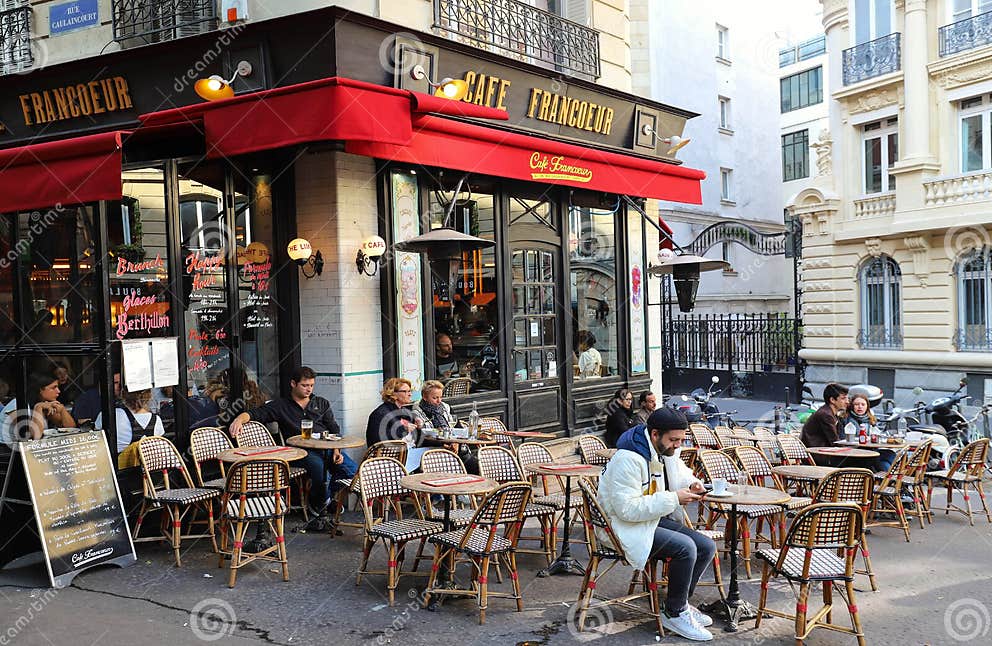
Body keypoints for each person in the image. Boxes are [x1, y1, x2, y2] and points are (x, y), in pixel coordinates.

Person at [597, 408, 716, 641]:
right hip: (619, 528)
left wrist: (694, 485)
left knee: (705, 546)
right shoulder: (628, 459)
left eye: (681, 440)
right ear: (654, 434)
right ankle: (675, 612)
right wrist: (674, 498)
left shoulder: (663, 450)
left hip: (647, 520)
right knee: (686, 548)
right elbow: (627, 510)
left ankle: (678, 603)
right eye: (673, 440)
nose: (677, 445)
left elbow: (681, 474)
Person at [229, 366, 357, 516]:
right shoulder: (281, 405)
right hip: (300, 452)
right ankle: (320, 503)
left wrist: (337, 450)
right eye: (304, 385)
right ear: (293, 384)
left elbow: (334, 430)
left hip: (326, 447)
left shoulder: (321, 403)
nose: (309, 389)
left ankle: (326, 498)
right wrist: (238, 419)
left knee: (352, 471)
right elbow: (255, 413)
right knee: (322, 474)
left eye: (311, 385)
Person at [412, 380, 480, 474]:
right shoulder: (417, 413)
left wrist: (456, 443)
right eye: (435, 398)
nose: (439, 401)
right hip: (433, 453)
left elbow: (459, 428)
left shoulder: (446, 407)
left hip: (456, 449)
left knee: (477, 467)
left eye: (440, 397)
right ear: (424, 397)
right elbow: (420, 439)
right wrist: (444, 445)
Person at [2, 367, 77, 445]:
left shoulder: (46, 404)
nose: (58, 391)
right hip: (8, 452)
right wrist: (38, 407)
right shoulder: (17, 405)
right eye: (53, 388)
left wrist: (62, 410)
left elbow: (70, 429)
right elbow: (34, 437)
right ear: (40, 390)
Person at [96, 388, 165, 466]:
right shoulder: (157, 420)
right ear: (149, 396)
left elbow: (96, 438)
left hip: (118, 470)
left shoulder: (111, 415)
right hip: (147, 472)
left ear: (123, 394)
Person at [845, 393, 895, 472]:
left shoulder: (870, 419)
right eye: (856, 404)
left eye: (863, 404)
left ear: (867, 406)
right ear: (852, 406)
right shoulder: (847, 419)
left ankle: (886, 479)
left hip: (870, 449)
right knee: (879, 459)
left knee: (890, 454)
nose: (860, 407)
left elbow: (877, 433)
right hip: (855, 451)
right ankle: (888, 480)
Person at [366, 377, 422, 446]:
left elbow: (414, 437)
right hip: (389, 455)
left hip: (407, 450)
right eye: (405, 391)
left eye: (410, 391)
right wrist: (403, 429)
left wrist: (417, 426)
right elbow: (378, 441)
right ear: (393, 394)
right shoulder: (380, 414)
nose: (410, 394)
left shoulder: (404, 411)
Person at [800, 383, 849, 448]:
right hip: (818, 453)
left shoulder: (830, 412)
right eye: (843, 398)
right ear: (832, 400)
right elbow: (835, 442)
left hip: (823, 451)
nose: (847, 402)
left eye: (847, 398)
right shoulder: (826, 415)